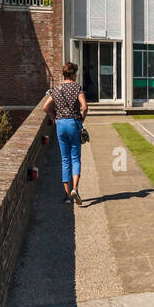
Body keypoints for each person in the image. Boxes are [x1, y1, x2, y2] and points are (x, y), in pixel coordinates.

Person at [44, 62, 89, 206]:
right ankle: (75, 189)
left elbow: (45, 107)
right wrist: (82, 118)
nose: (76, 76)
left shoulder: (56, 89)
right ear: (72, 74)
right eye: (75, 73)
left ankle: (66, 195)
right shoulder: (77, 87)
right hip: (73, 124)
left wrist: (54, 118)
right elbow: (85, 107)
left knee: (64, 159)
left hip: (60, 125)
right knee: (75, 157)